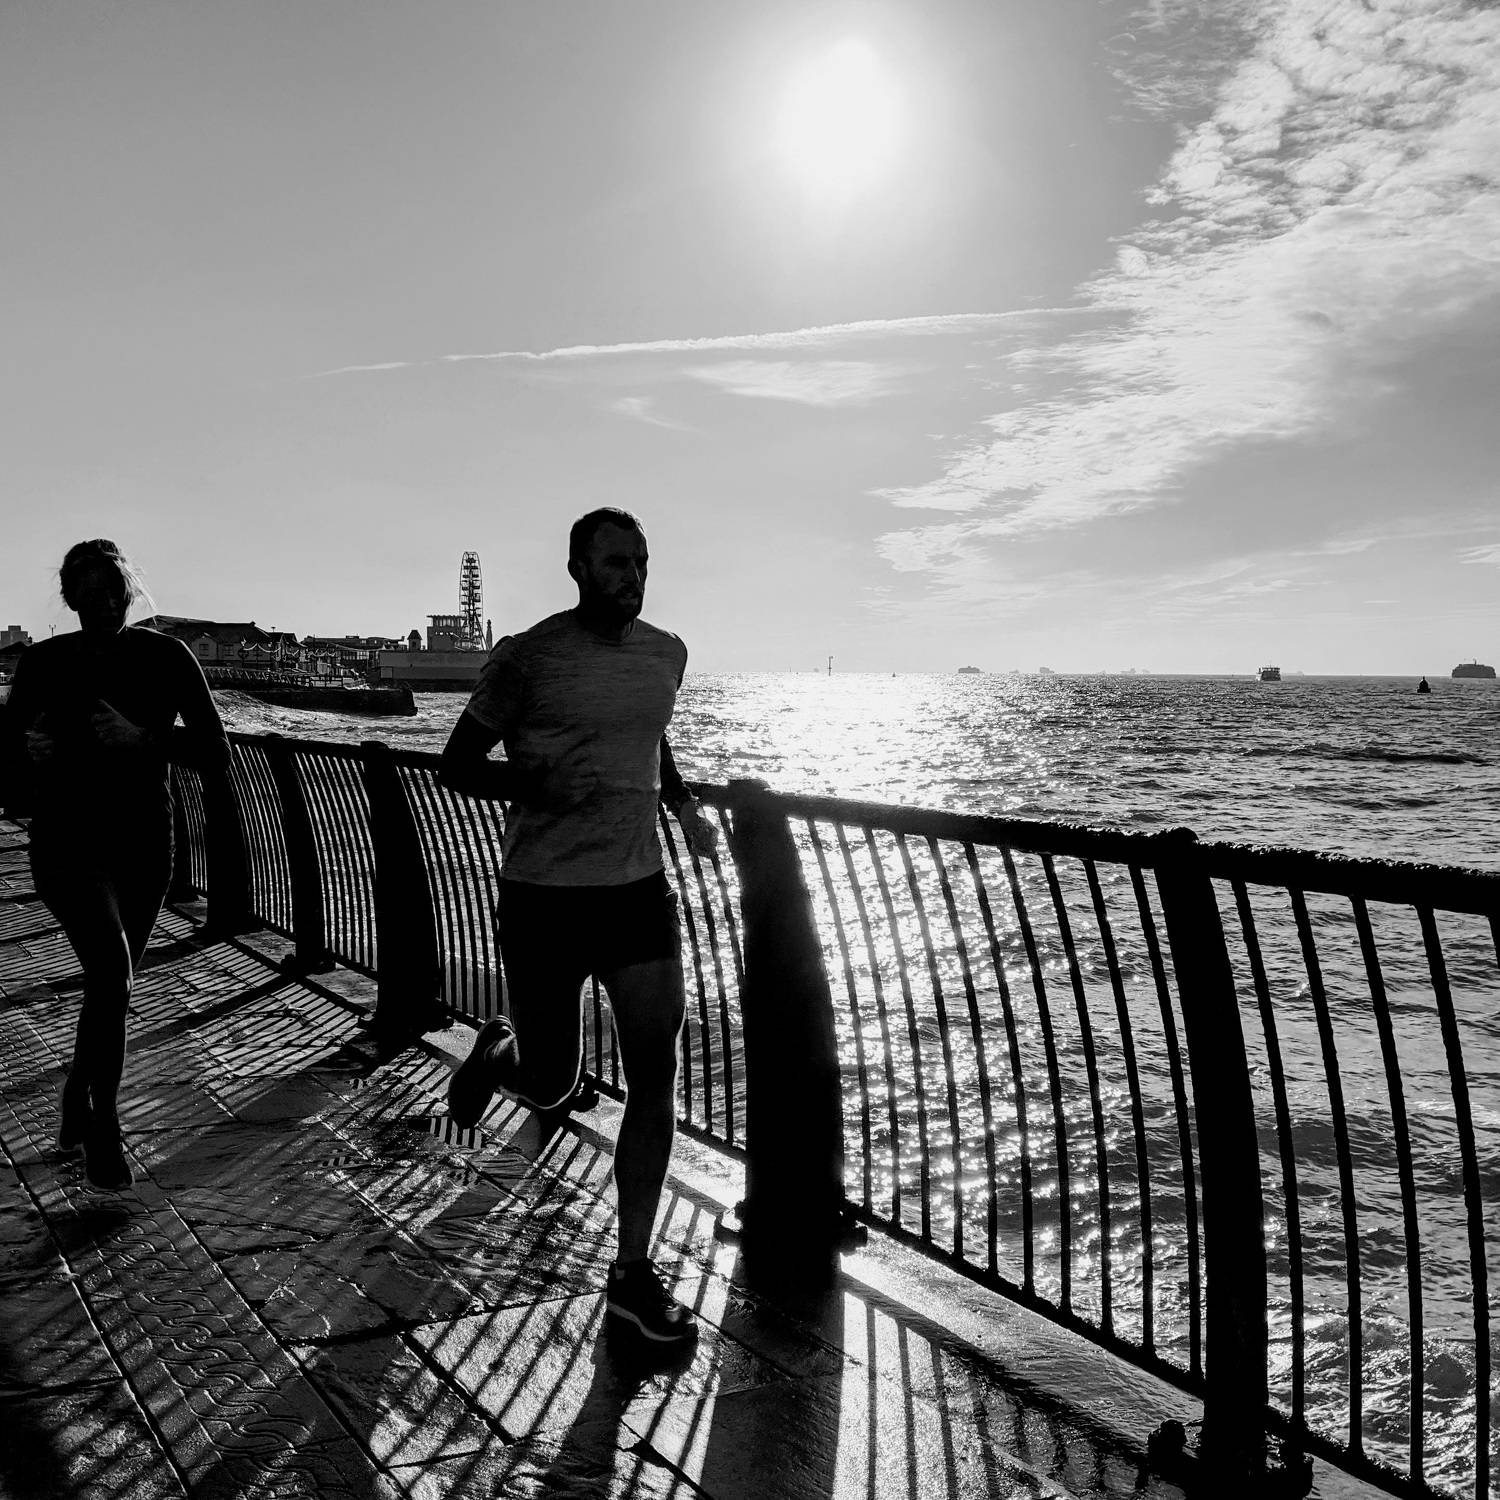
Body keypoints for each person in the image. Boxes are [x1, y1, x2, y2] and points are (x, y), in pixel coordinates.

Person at [439, 507, 717, 1346]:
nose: (632, 576)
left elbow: (652, 739)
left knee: (655, 1073)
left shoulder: (667, 654)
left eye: (641, 561)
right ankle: (499, 1052)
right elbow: (458, 764)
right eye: (615, 562)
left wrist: (684, 806)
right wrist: (533, 787)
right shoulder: (527, 658)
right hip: (544, 897)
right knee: (552, 1082)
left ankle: (631, 1273)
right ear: (577, 569)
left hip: (636, 891)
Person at [0, 540, 229, 1189]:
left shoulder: (168, 655)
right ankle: (105, 1125)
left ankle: (78, 1094)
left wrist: (144, 738)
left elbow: (217, 751)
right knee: (111, 968)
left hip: (145, 843)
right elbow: (5, 758)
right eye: (89, 594)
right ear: (70, 599)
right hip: (66, 840)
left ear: (129, 591)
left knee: (113, 984)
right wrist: (28, 752)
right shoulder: (44, 662)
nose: (102, 604)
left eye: (113, 591)